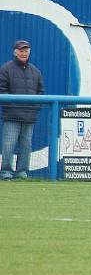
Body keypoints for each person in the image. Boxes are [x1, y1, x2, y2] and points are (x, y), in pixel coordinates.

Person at [0, 40, 45, 180]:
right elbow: (2, 90)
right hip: (12, 116)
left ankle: (22, 173)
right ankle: (5, 172)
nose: (24, 53)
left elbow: (41, 92)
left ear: (29, 52)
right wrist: (13, 107)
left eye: (26, 50)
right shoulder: (6, 69)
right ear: (15, 52)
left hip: (29, 117)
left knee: (26, 147)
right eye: (21, 50)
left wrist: (34, 109)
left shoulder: (35, 71)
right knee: (8, 145)